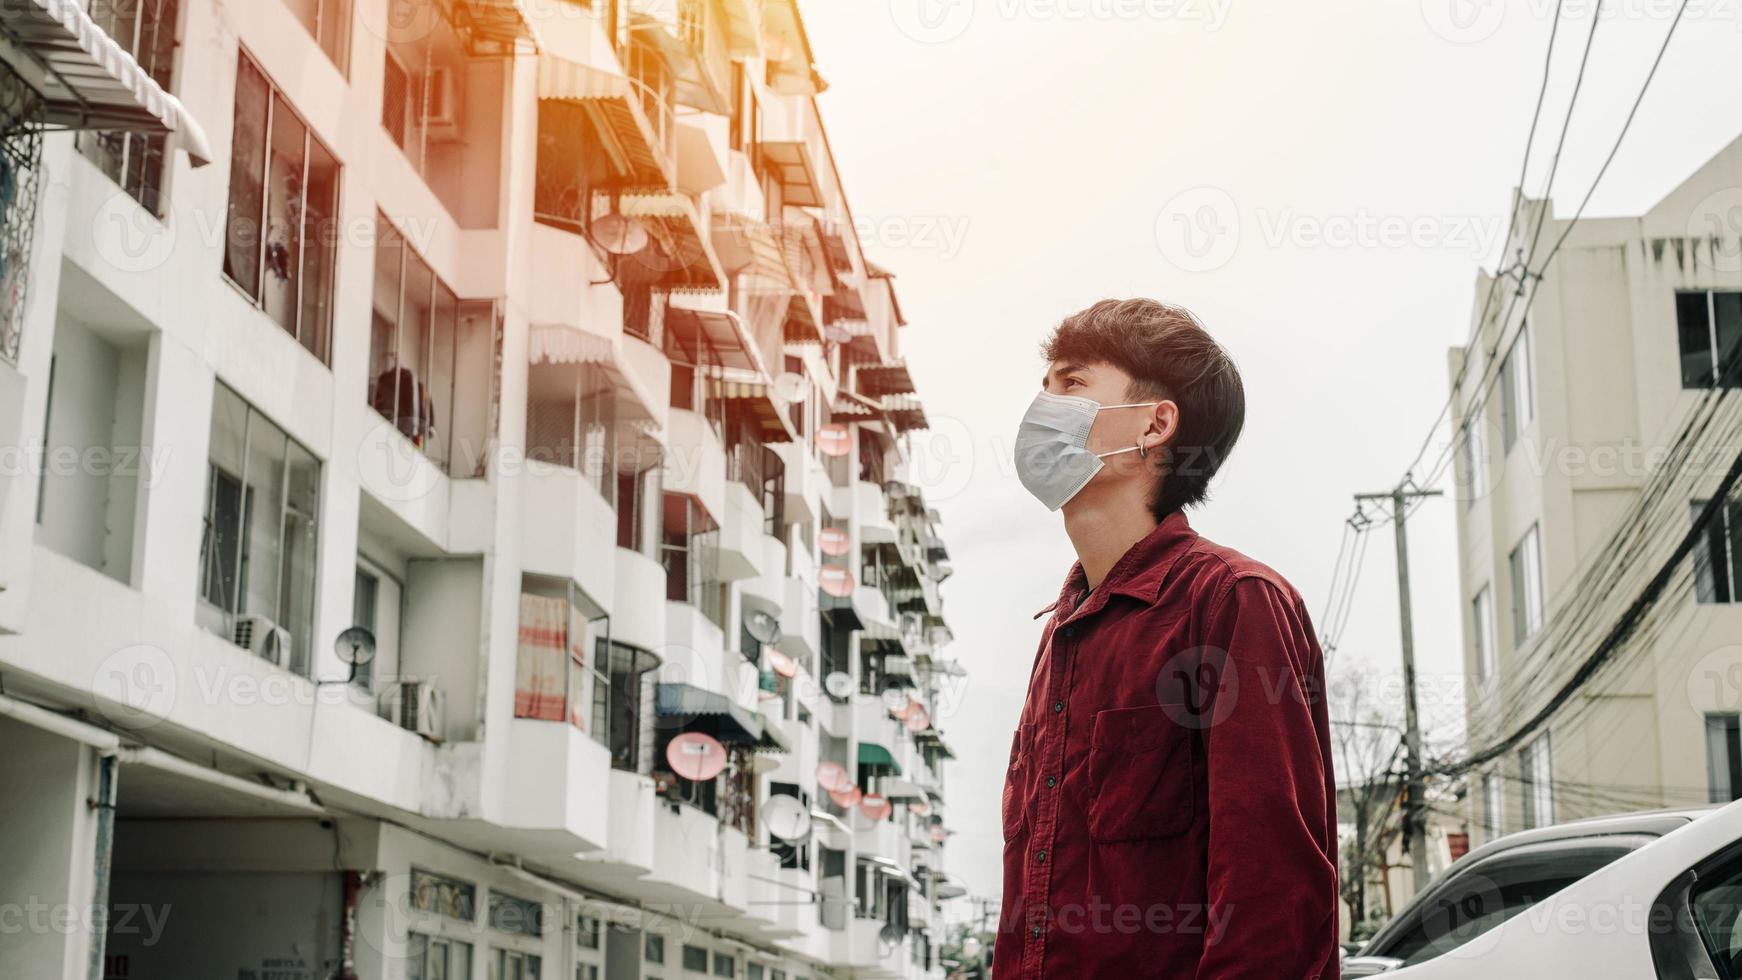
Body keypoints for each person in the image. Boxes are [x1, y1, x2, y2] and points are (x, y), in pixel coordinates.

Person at [995, 299, 1338, 979]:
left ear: (1154, 424)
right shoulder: (1061, 633)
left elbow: (1272, 903)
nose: (1043, 406)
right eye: (1044, 387)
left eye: (1072, 384)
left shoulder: (1234, 602)